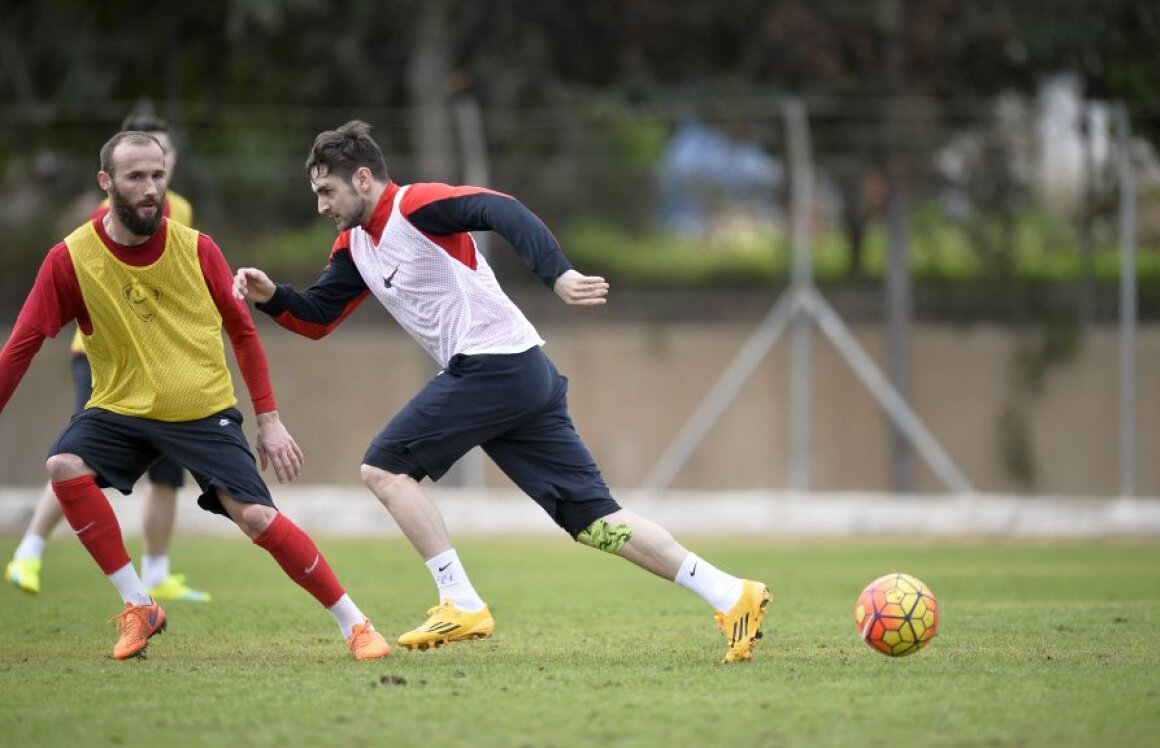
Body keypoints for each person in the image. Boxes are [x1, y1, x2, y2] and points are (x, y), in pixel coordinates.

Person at [233, 120, 771, 663]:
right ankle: (732, 594)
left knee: (384, 467)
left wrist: (555, 273)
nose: (322, 205)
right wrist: (272, 295)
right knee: (592, 521)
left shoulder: (415, 205)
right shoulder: (355, 247)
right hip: (521, 375)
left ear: (364, 179)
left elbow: (500, 207)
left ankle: (460, 600)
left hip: (495, 366)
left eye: (328, 191)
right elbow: (318, 317)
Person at [0, 130, 390, 661]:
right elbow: (20, 348)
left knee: (255, 519)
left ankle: (355, 623)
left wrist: (269, 419)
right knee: (65, 466)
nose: (150, 188)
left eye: (158, 176)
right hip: (120, 406)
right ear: (105, 182)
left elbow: (245, 332)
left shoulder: (198, 249)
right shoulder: (69, 259)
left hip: (201, 410)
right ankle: (140, 606)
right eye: (136, 177)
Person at [5, 113, 208, 603]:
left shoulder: (179, 209)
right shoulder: (105, 216)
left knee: (166, 472)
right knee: (77, 460)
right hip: (101, 357)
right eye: (136, 167)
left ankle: (157, 572)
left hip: (158, 360)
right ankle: (28, 550)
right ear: (115, 172)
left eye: (161, 159)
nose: (151, 176)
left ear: (171, 161)